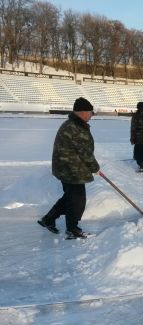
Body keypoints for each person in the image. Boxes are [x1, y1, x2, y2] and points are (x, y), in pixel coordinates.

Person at [37, 97, 99, 239]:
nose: (91, 115)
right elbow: (85, 153)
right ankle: (72, 229)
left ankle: (48, 219)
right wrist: (94, 167)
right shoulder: (76, 128)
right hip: (71, 170)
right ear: (83, 112)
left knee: (70, 197)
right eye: (90, 112)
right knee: (77, 200)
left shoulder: (72, 124)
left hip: (66, 167)